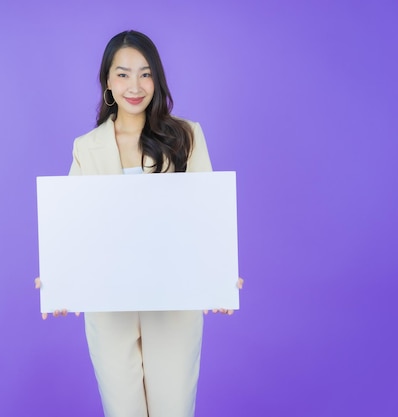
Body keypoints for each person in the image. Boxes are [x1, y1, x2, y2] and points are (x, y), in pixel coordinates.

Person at [35, 30, 244, 417]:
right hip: (109, 307)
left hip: (173, 302)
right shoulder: (86, 147)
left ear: (157, 80)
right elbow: (71, 226)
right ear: (108, 83)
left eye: (145, 74)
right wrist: (57, 280)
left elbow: (205, 218)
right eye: (123, 74)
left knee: (173, 409)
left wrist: (221, 278)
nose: (135, 86)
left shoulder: (186, 136)